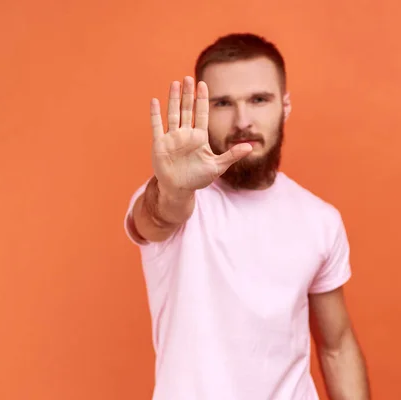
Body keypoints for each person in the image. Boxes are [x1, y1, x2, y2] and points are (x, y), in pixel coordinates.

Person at [124, 33, 370, 400]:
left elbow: (336, 345)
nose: (242, 121)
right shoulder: (178, 197)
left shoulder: (321, 219)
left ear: (284, 105)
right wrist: (173, 188)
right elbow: (157, 218)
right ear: (203, 113)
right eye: (224, 103)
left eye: (258, 99)